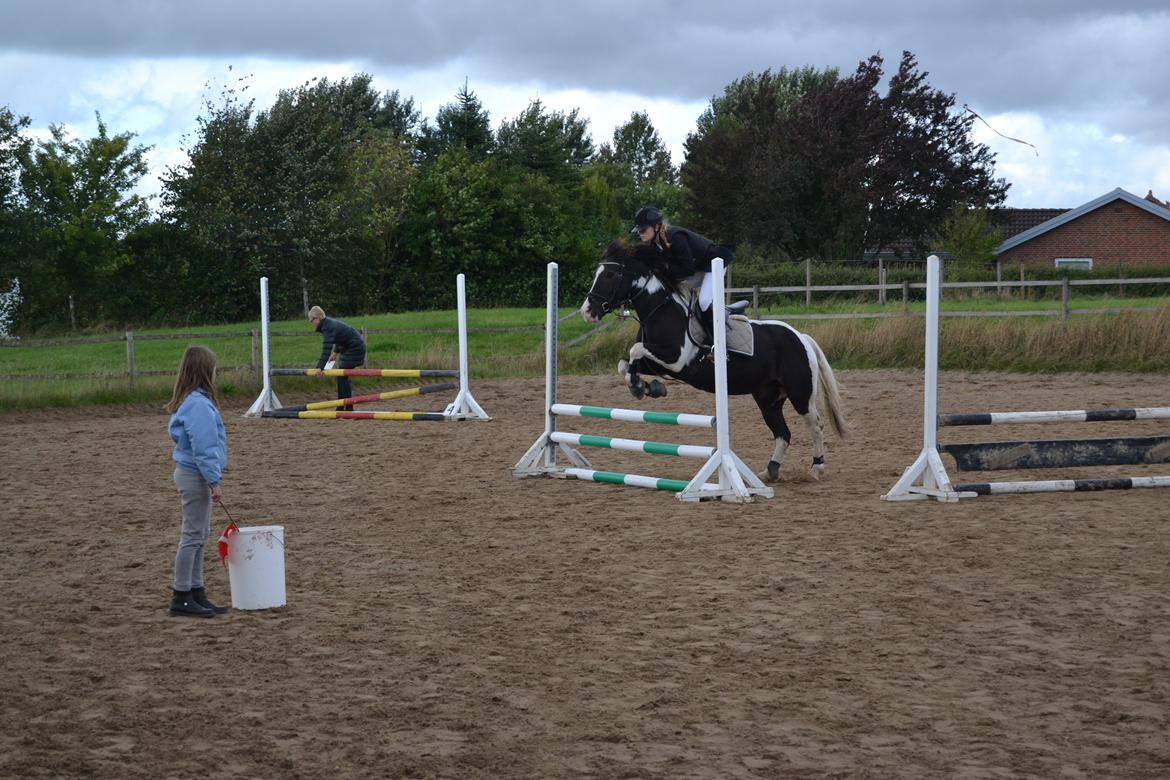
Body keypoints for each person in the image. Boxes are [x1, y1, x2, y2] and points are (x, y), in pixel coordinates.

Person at [165, 345, 229, 618]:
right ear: (205, 372)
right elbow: (204, 447)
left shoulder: (193, 401)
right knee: (192, 536)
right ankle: (181, 595)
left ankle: (196, 590)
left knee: (199, 536)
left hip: (193, 474)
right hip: (195, 476)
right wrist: (214, 480)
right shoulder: (199, 405)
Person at [630, 206, 735, 344]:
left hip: (714, 264)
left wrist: (665, 268)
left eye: (643, 229)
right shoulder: (656, 244)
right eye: (638, 230)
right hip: (699, 268)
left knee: (703, 301)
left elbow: (687, 269)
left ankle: (718, 341)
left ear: (656, 227)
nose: (640, 233)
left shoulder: (675, 237)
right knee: (673, 293)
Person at [307, 306, 367, 411]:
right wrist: (335, 352)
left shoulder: (328, 327)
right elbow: (342, 338)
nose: (311, 323)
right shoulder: (328, 324)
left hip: (355, 348)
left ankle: (347, 407)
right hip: (351, 346)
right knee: (341, 376)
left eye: (311, 320)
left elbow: (326, 348)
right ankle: (343, 405)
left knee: (342, 375)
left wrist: (320, 367)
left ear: (317, 318)